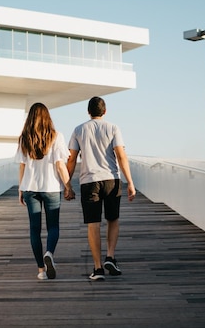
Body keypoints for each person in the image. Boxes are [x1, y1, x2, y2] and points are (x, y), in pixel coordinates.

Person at [67, 96, 136, 281]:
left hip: (89, 181)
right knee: (113, 219)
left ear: (88, 112)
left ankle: (98, 268)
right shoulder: (113, 128)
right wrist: (130, 182)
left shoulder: (79, 129)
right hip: (111, 180)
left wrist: (67, 184)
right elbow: (121, 156)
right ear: (104, 111)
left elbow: (72, 158)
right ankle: (110, 257)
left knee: (93, 223)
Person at [15, 103, 75, 280]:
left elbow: (22, 166)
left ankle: (41, 270)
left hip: (30, 188)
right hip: (51, 188)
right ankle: (49, 253)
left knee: (34, 229)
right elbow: (60, 165)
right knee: (53, 226)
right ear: (48, 117)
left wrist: (20, 188)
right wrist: (68, 186)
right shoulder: (56, 137)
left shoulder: (24, 138)